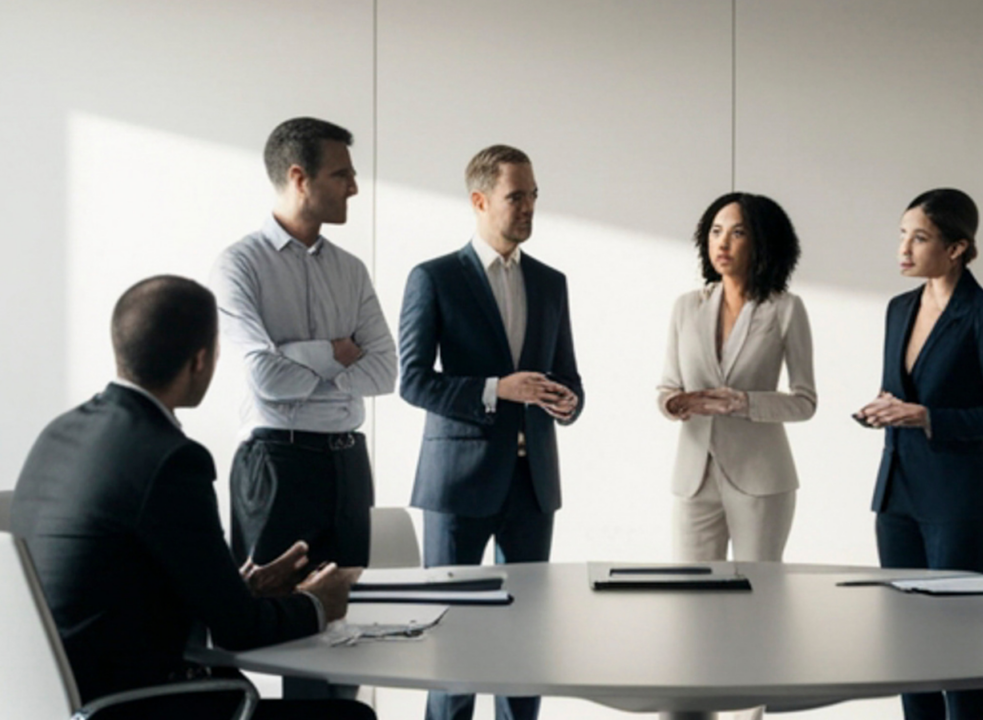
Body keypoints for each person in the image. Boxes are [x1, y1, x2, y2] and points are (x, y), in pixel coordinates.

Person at [11, 275, 372, 720]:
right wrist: (320, 602)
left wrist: (240, 589)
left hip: (62, 700)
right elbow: (238, 631)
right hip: (140, 703)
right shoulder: (170, 459)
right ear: (200, 360)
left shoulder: (60, 434)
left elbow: (121, 580)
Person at [398, 144, 584, 720]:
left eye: (532, 195)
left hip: (533, 485)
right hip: (458, 486)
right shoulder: (434, 278)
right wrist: (493, 390)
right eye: (515, 196)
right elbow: (411, 381)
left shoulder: (551, 282)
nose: (528, 207)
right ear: (479, 200)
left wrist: (568, 401)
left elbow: (567, 375)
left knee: (525, 645)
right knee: (453, 644)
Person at [855, 188, 983, 720]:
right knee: (908, 650)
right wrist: (883, 409)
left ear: (957, 248)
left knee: (960, 652)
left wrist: (927, 416)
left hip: (958, 499)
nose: (904, 248)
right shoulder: (898, 308)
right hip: (897, 494)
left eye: (919, 237)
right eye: (902, 234)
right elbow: (900, 391)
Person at [211, 117, 397, 574]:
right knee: (268, 614)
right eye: (342, 174)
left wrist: (295, 356)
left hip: (349, 460)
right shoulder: (239, 266)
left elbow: (386, 371)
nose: (353, 187)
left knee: (348, 612)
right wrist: (335, 354)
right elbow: (264, 376)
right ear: (299, 177)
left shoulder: (351, 269)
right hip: (276, 462)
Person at [658, 192, 815, 564]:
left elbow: (805, 401)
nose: (722, 243)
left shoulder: (785, 309)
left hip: (761, 478)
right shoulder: (686, 307)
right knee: (691, 597)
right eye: (715, 231)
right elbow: (667, 386)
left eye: (738, 232)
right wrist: (675, 403)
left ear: (763, 241)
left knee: (759, 595)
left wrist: (744, 403)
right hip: (694, 477)